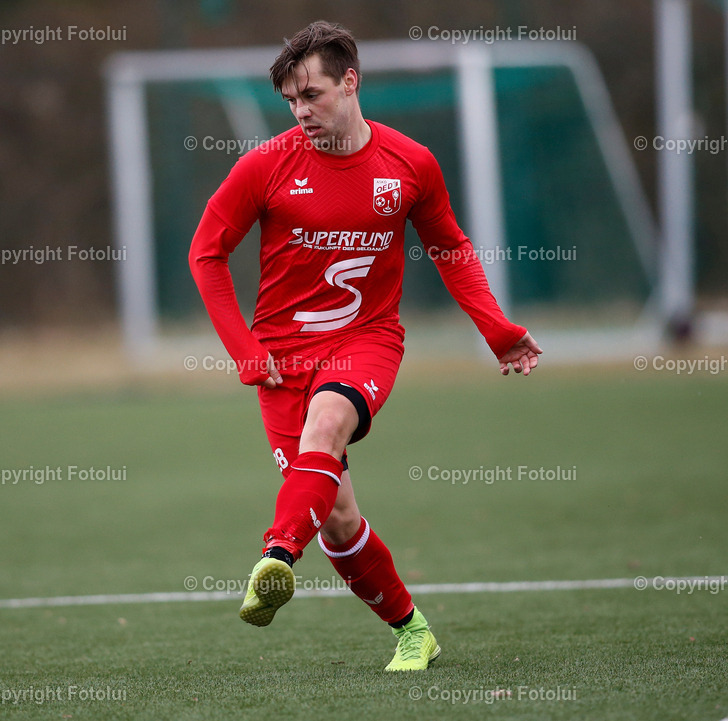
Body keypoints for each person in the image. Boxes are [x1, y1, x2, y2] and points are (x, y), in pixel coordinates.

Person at [188, 20, 541, 672]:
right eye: (292, 100)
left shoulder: (410, 163)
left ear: (351, 81)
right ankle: (413, 629)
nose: (302, 111)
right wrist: (243, 348)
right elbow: (206, 252)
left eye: (313, 94)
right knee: (341, 520)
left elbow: (451, 247)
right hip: (280, 361)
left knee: (326, 423)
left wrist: (498, 330)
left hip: (366, 341)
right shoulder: (265, 165)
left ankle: (275, 558)